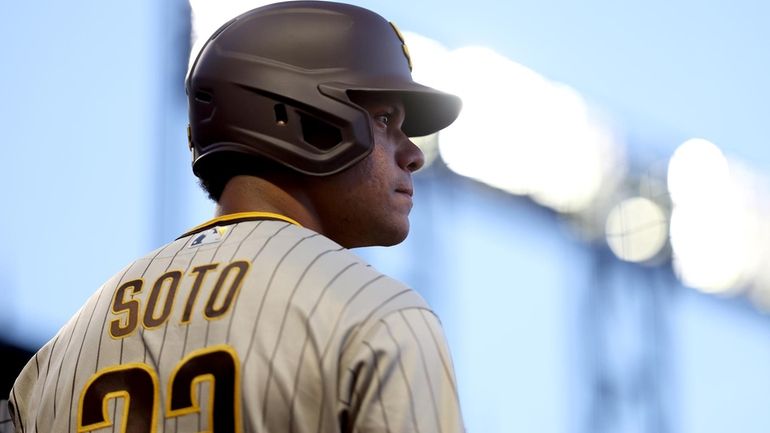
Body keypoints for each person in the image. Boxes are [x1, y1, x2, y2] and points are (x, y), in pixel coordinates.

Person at [4, 1, 464, 432]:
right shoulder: (378, 313)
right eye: (385, 120)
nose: (412, 155)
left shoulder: (49, 365)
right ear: (304, 117)